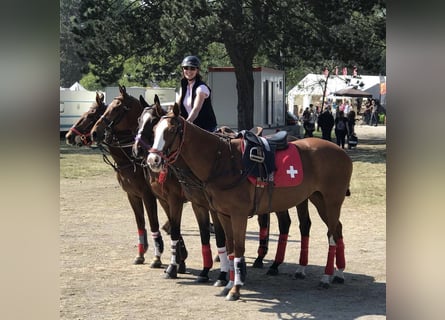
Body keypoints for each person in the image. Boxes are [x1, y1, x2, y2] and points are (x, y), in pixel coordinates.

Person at [176, 55, 217, 132]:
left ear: (197, 70)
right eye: (186, 68)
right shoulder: (183, 87)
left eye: (192, 68)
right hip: (192, 127)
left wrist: (186, 124)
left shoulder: (201, 88)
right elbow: (176, 107)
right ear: (182, 69)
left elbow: (196, 109)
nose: (189, 71)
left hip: (206, 129)